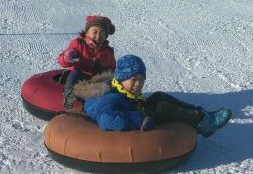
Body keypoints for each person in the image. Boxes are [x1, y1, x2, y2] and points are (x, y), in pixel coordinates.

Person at [73, 54, 232, 137]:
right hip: (135, 117)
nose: (138, 84)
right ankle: (203, 122)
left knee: (158, 96)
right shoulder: (111, 98)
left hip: (133, 108)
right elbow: (108, 120)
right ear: (121, 79)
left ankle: (203, 115)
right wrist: (140, 119)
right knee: (161, 108)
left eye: (142, 80)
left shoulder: (122, 90)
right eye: (133, 80)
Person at [58, 15, 116, 109]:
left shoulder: (107, 51)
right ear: (87, 31)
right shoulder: (78, 44)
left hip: (95, 79)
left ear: (106, 36)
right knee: (76, 73)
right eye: (95, 32)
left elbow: (112, 67)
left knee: (107, 79)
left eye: (102, 34)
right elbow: (62, 61)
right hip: (78, 75)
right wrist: (67, 58)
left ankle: (102, 101)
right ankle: (69, 95)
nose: (98, 36)